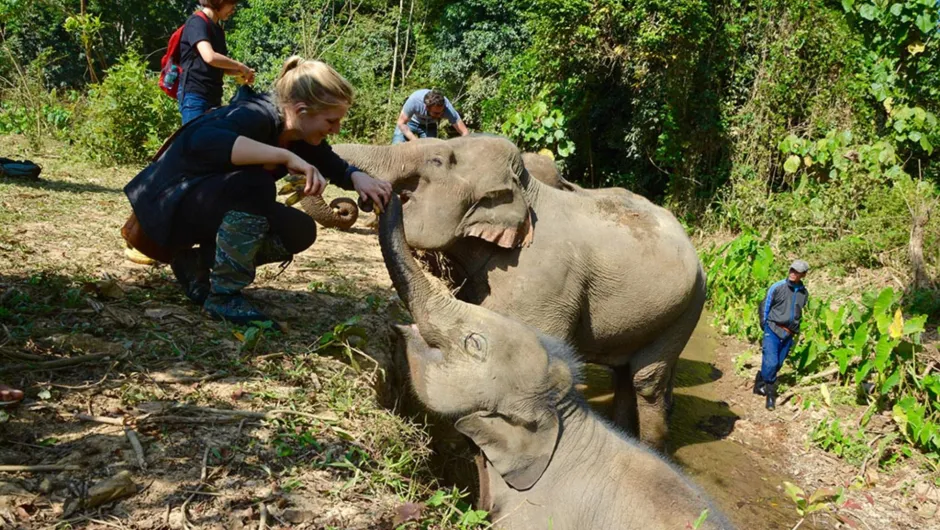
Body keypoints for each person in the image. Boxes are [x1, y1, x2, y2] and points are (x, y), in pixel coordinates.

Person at [124, 56, 392, 326]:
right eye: (331, 121)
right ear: (301, 111)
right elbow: (201, 141)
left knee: (299, 230)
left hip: (203, 208)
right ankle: (224, 296)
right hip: (167, 210)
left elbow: (330, 162)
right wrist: (283, 158)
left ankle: (195, 262)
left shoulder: (298, 133)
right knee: (257, 184)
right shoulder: (254, 115)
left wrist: (356, 177)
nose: (336, 129)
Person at [178, 0, 255, 124]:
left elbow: (221, 66)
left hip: (214, 98)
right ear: (219, 2)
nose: (233, 10)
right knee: (196, 141)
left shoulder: (218, 30)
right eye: (231, 5)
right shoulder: (196, 22)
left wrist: (242, 72)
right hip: (195, 96)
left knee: (211, 141)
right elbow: (210, 57)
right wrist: (240, 66)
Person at [754, 260, 810, 410]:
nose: (793, 273)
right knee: (771, 362)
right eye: (792, 270)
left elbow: (799, 311)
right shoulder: (777, 287)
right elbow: (764, 304)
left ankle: (759, 381)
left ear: (803, 275)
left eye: (797, 272)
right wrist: (764, 323)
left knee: (777, 364)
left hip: (788, 333)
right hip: (773, 328)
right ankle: (770, 397)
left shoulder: (804, 293)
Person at [392, 88, 469, 143]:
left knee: (431, 153)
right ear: (426, 107)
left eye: (441, 112)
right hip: (410, 122)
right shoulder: (414, 101)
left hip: (430, 125)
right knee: (397, 148)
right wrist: (415, 141)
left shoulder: (447, 108)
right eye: (436, 113)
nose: (440, 115)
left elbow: (465, 132)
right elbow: (401, 123)